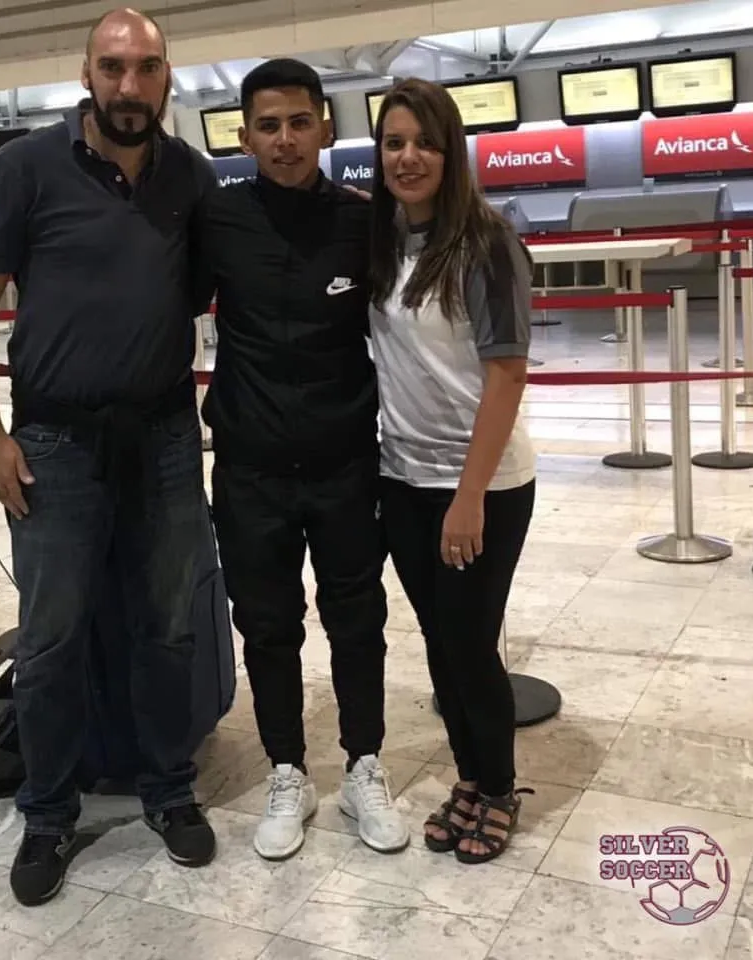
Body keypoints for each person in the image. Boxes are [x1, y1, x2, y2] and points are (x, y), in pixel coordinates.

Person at [0, 8, 218, 906]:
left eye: (146, 68)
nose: (129, 86)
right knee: (52, 639)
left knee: (169, 626)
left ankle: (168, 789)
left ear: (167, 76)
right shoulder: (25, 167)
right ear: (87, 74)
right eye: (113, 67)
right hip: (55, 446)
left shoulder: (190, 177)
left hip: (165, 439)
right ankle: (48, 813)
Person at [195, 58, 409, 862]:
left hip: (344, 462)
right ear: (245, 137)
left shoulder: (363, 221)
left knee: (358, 620)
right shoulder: (219, 220)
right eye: (267, 126)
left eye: (297, 123)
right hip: (250, 468)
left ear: (324, 126)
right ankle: (288, 770)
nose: (284, 140)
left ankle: (363, 766)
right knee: (266, 624)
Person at [367, 78, 537, 865]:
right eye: (394, 142)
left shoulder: (485, 243)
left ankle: (498, 787)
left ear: (451, 152)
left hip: (481, 485)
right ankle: (470, 777)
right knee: (440, 643)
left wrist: (468, 498)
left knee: (469, 646)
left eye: (424, 143)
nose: (408, 157)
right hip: (403, 479)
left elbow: (506, 373)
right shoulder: (382, 240)